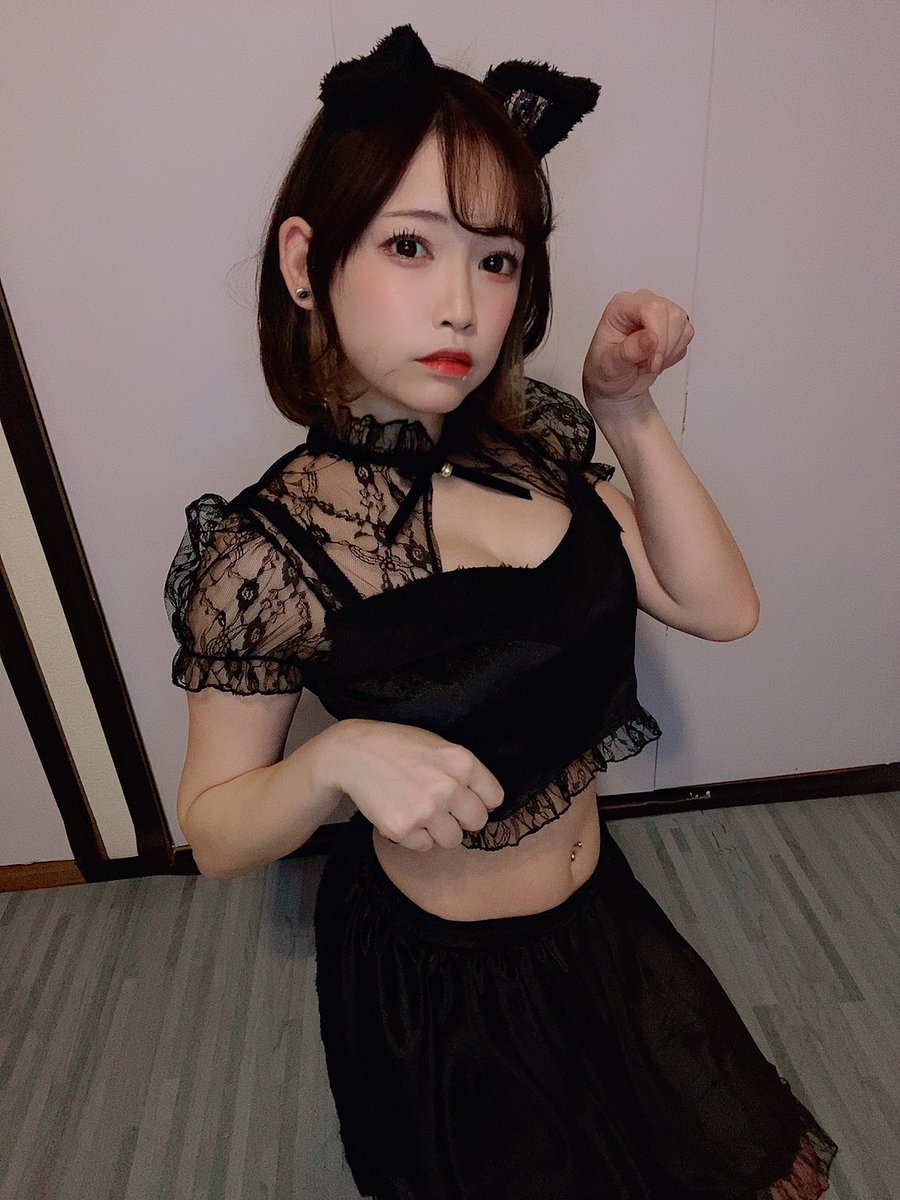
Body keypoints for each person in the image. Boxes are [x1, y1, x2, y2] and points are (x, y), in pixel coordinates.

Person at [165, 26, 837, 1200]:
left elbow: (719, 606)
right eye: (411, 245)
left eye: (497, 259)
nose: (462, 306)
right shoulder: (267, 552)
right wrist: (335, 761)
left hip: (602, 921)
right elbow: (215, 834)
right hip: (448, 988)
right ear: (306, 261)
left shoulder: (531, 447)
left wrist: (625, 409)